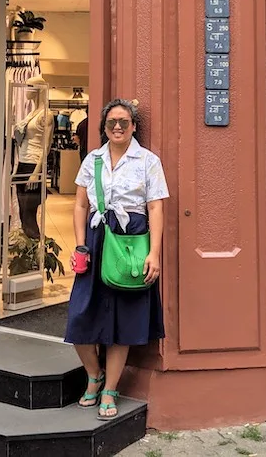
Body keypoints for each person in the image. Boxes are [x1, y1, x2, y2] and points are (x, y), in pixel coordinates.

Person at [64, 99, 168, 420]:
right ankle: (93, 375)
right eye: (112, 123)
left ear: (134, 126)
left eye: (124, 122)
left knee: (123, 319)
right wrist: (80, 246)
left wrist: (154, 253)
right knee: (80, 314)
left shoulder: (148, 161)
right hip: (96, 241)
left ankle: (110, 388)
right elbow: (81, 205)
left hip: (130, 243)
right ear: (104, 127)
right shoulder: (93, 160)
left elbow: (155, 208)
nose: (118, 127)